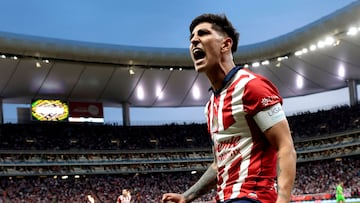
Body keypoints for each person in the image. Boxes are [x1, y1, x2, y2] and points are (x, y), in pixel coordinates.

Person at [162, 13, 297, 203]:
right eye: (191, 38)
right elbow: (220, 164)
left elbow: (285, 146)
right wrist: (187, 196)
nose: (194, 40)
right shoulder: (210, 107)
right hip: (226, 198)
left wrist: (283, 200)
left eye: (203, 34)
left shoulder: (252, 86)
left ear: (226, 44)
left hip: (252, 196)